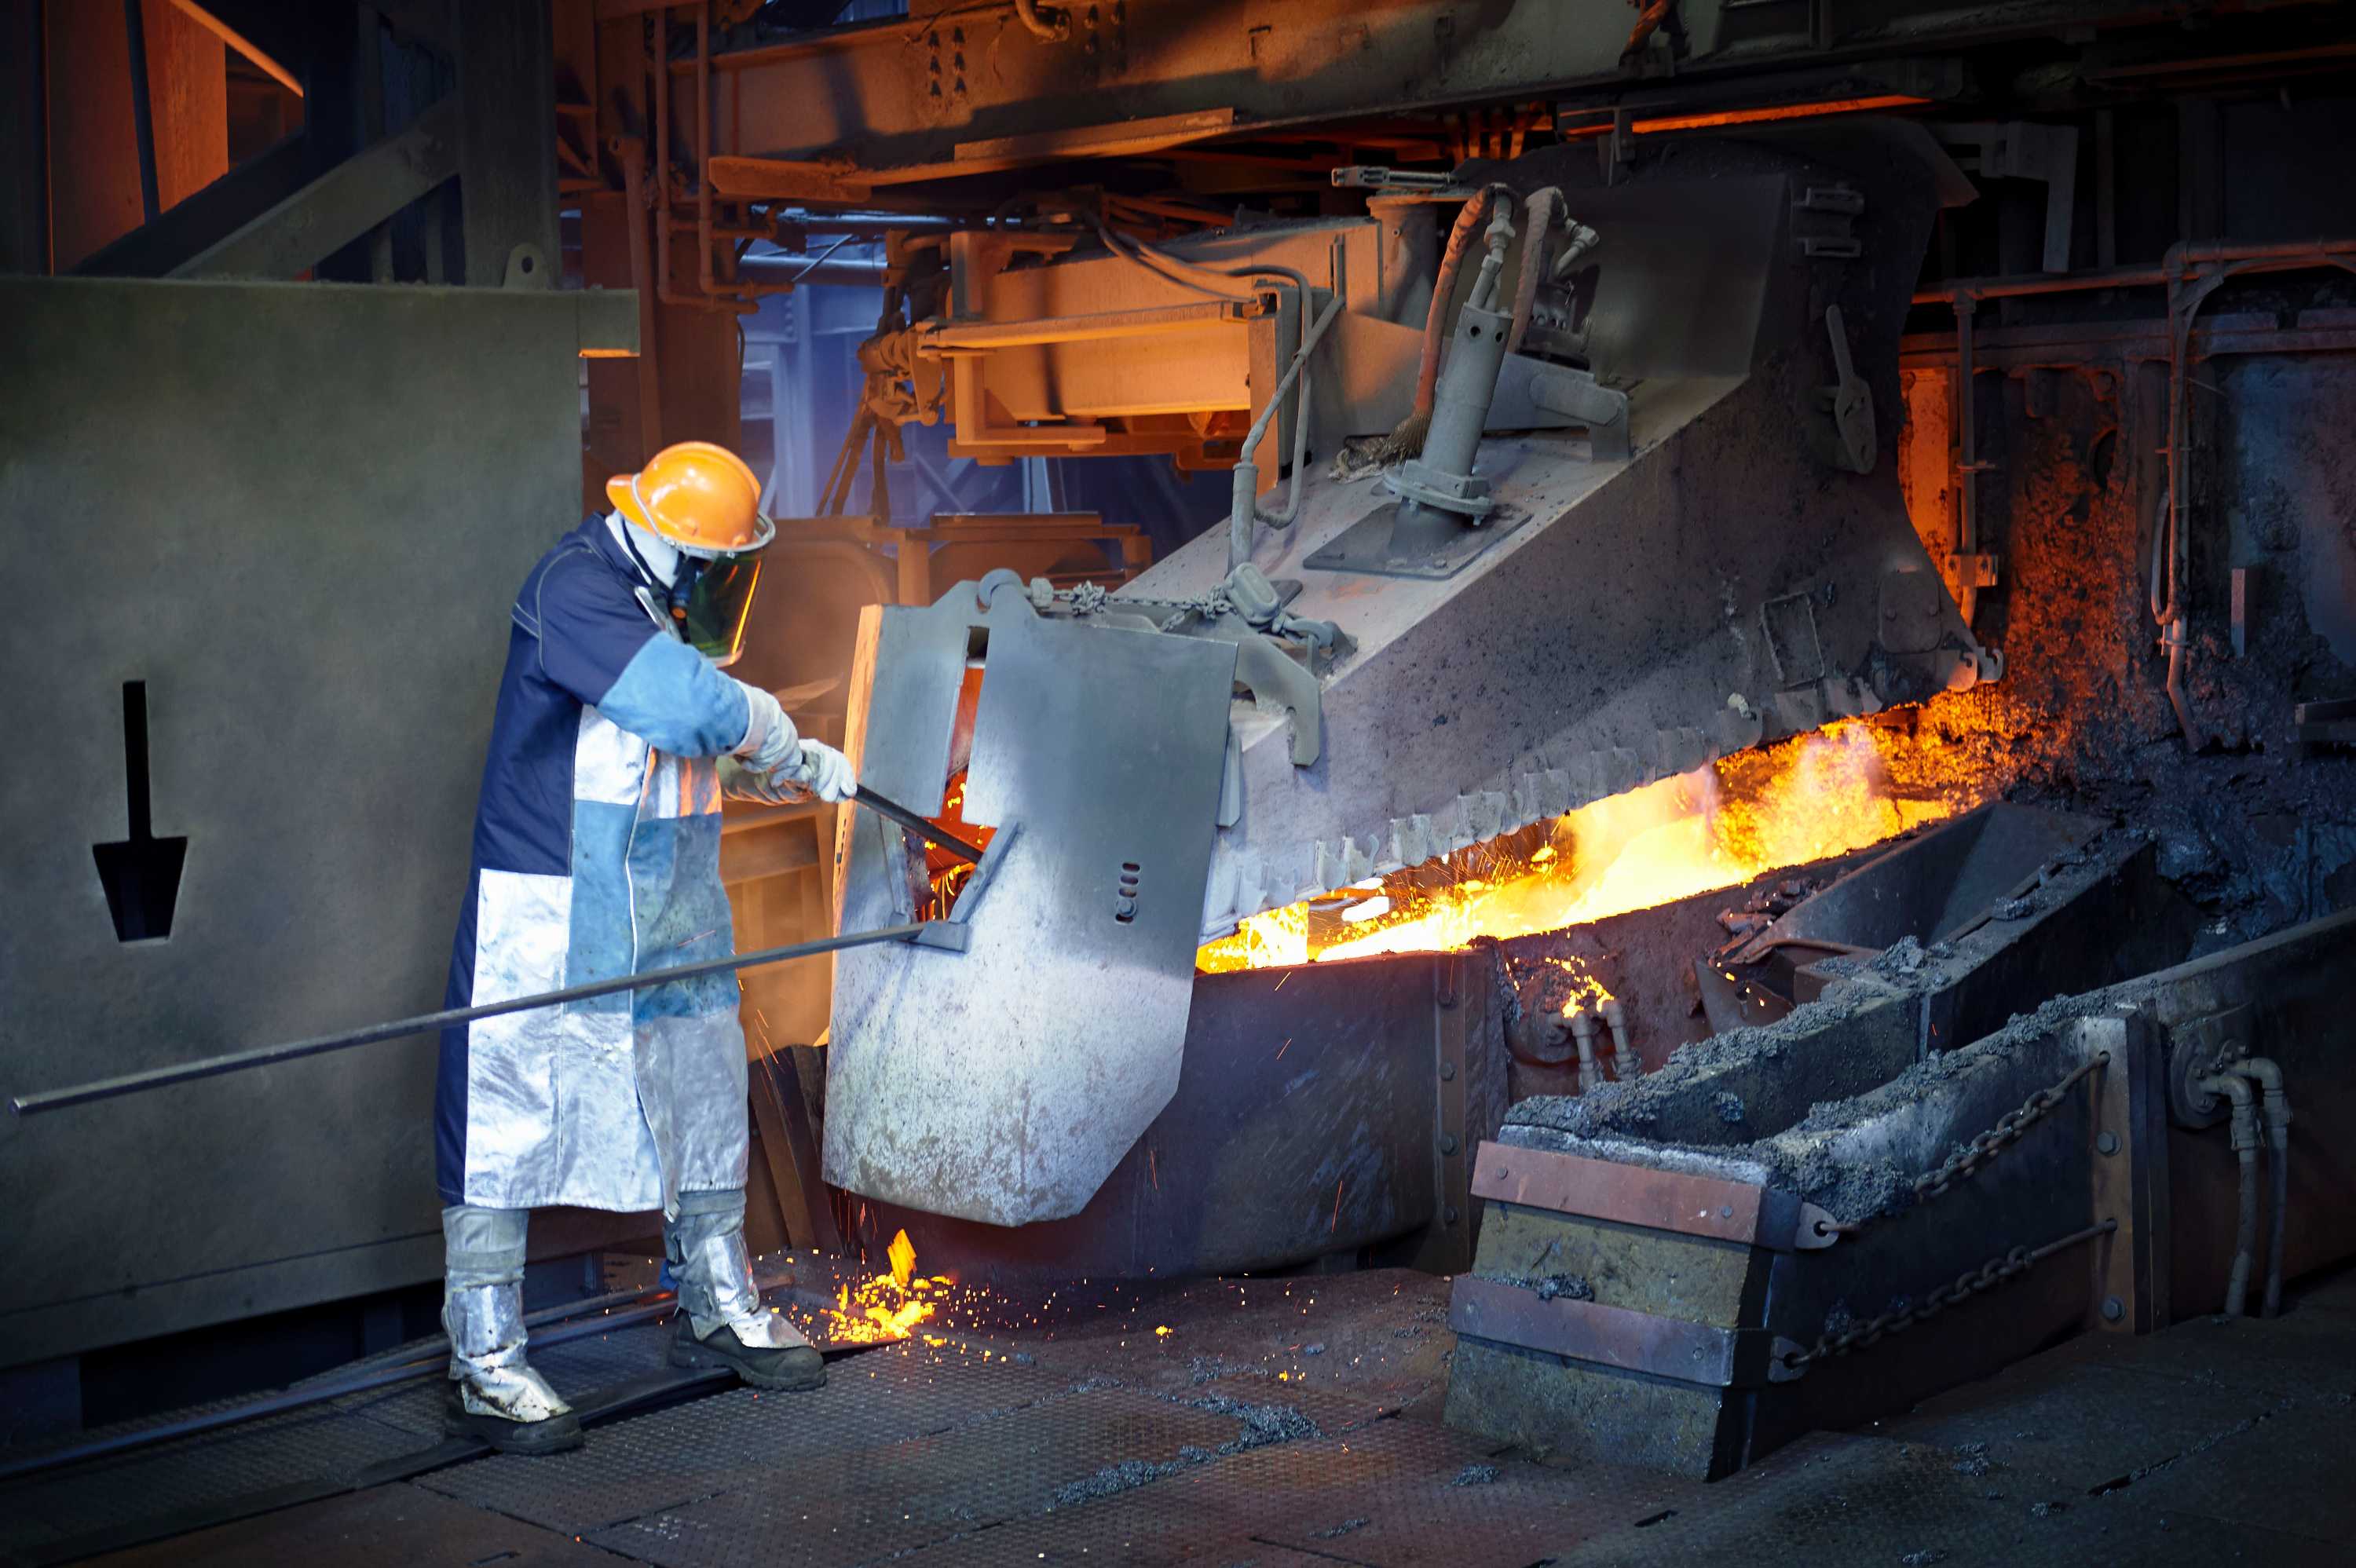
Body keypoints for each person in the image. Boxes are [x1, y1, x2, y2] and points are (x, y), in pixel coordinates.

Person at [433, 440, 854, 1453]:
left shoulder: (659, 609)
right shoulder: (574, 587)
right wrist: (779, 734)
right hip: (553, 912)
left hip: (668, 907)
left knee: (701, 1091)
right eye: (711, 571)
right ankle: (485, 1358)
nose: (720, 592)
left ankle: (716, 1302)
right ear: (665, 550)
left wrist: (776, 777)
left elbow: (674, 746)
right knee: (507, 1117)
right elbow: (678, 704)